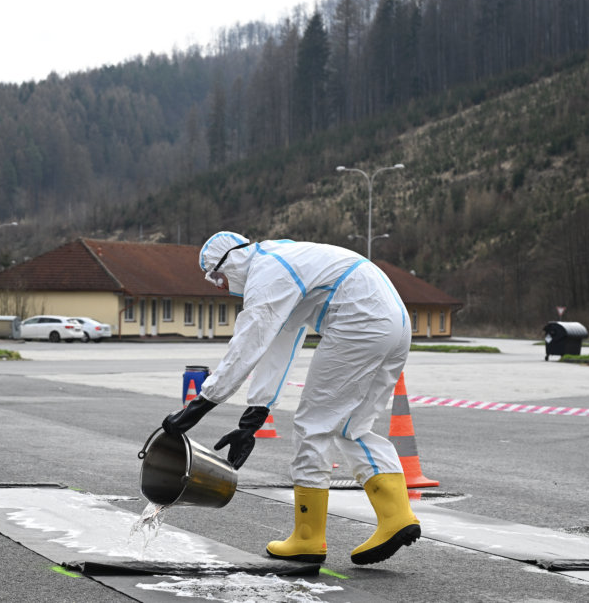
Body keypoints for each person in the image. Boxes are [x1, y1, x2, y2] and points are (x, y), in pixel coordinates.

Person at [162, 232, 419, 566]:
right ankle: (396, 517)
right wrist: (252, 419)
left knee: (313, 425)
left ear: (231, 259)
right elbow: (279, 343)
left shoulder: (266, 271)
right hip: (393, 322)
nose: (217, 284)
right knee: (349, 427)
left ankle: (308, 539)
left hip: (360, 322)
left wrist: (200, 405)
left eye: (215, 274)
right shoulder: (284, 262)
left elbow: (248, 341)